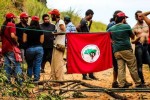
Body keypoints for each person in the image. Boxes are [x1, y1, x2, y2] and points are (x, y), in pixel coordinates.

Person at [108, 12, 142, 88]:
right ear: (123, 19)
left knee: (120, 68)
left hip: (116, 51)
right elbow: (133, 37)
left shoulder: (111, 28)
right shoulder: (126, 26)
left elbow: (106, 35)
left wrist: (111, 41)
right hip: (126, 49)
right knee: (132, 66)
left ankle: (122, 84)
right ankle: (138, 83)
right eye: (125, 18)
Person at [107, 10, 132, 88]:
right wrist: (112, 42)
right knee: (118, 65)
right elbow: (107, 35)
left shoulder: (112, 24)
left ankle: (122, 81)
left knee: (120, 65)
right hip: (117, 47)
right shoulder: (113, 24)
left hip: (116, 47)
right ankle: (115, 81)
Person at [1, 12, 23, 85]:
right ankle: (19, 82)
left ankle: (6, 81)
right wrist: (17, 41)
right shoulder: (11, 24)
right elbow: (12, 35)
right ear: (12, 18)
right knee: (17, 64)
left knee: (7, 65)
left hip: (4, 48)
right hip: (11, 48)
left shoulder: (3, 26)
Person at [76, 9, 98, 80]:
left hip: (87, 41)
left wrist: (90, 24)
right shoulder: (83, 20)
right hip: (84, 41)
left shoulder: (86, 22)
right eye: (92, 16)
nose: (92, 17)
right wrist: (82, 36)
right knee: (85, 57)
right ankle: (84, 75)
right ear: (90, 15)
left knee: (90, 57)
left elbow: (87, 30)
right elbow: (77, 27)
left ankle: (91, 74)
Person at [23, 16, 44, 82]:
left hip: (30, 49)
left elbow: (24, 40)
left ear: (31, 21)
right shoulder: (40, 30)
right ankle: (36, 80)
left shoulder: (26, 29)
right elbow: (41, 41)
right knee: (38, 64)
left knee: (30, 65)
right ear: (38, 21)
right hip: (39, 48)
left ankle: (29, 80)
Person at [132, 10, 150, 85]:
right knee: (139, 65)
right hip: (139, 46)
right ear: (136, 17)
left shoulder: (147, 24)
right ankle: (142, 82)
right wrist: (136, 39)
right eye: (139, 16)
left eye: (142, 16)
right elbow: (132, 41)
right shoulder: (134, 27)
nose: (141, 17)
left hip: (147, 46)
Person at [48, 9, 66, 82]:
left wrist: (55, 34)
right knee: (54, 63)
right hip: (56, 45)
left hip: (59, 45)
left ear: (55, 15)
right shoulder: (57, 23)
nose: (51, 16)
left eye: (52, 15)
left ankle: (60, 80)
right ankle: (55, 80)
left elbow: (64, 31)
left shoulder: (61, 22)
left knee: (58, 63)